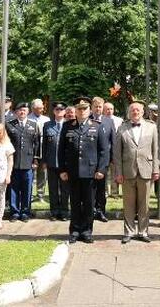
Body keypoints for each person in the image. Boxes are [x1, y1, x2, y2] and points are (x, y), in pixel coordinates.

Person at [58, 96, 111, 243]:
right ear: (75, 110)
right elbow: (61, 150)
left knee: (89, 204)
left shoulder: (97, 126)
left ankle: (87, 231)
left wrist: (101, 169)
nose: (81, 111)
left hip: (91, 172)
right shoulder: (67, 126)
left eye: (84, 109)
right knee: (74, 202)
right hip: (73, 172)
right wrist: (62, 170)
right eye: (79, 109)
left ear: (89, 110)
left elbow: (103, 151)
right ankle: (74, 231)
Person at [114, 100, 160, 243]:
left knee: (144, 204)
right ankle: (129, 232)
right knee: (128, 204)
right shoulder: (122, 128)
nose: (135, 112)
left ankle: (143, 231)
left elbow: (155, 150)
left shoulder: (152, 127)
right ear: (129, 113)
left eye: (138, 110)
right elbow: (117, 153)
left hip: (146, 170)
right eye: (133, 110)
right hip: (128, 171)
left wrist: (156, 169)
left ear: (142, 112)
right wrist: (118, 172)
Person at [6, 102, 40, 222]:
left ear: (28, 112)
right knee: (13, 188)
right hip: (13, 162)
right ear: (16, 112)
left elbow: (37, 143)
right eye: (20, 110)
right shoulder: (9, 125)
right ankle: (14, 212)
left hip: (28, 162)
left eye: (24, 110)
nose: (22, 112)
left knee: (27, 189)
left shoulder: (33, 125)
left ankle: (25, 212)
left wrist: (35, 159)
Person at [42, 101, 70, 220]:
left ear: (64, 112)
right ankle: (54, 212)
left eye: (61, 110)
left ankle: (64, 212)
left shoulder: (69, 125)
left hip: (64, 163)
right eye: (57, 110)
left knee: (65, 189)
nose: (59, 112)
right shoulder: (47, 125)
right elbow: (44, 145)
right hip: (52, 162)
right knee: (52, 189)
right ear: (54, 111)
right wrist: (44, 160)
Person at [90, 96, 115, 223]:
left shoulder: (108, 121)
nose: (98, 109)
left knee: (101, 187)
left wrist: (112, 158)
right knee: (90, 188)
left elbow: (113, 141)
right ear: (92, 107)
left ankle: (101, 211)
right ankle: (90, 211)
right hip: (88, 161)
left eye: (100, 107)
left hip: (103, 160)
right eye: (96, 106)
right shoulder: (86, 120)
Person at [29, 98, 50, 204]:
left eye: (42, 108)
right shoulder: (28, 119)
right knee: (31, 172)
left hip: (44, 148)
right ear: (33, 108)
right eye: (39, 108)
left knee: (42, 172)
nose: (41, 110)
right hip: (32, 149)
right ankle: (30, 194)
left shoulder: (46, 119)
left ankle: (40, 194)